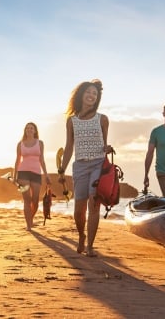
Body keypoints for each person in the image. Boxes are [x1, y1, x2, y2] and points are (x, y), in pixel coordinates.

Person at [58, 79, 112, 257]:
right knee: (79, 209)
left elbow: (105, 144)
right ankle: (82, 235)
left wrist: (108, 148)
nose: (91, 96)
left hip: (98, 164)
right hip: (80, 166)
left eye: (95, 94)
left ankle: (90, 246)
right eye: (89, 92)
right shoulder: (71, 121)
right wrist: (62, 169)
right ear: (81, 95)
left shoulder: (102, 119)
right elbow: (68, 147)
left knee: (94, 203)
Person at [13, 122, 51, 231]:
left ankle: (30, 219)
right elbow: (17, 160)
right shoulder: (20, 144)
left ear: (35, 131)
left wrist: (46, 174)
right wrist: (15, 175)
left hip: (36, 173)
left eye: (31, 128)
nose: (29, 130)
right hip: (22, 173)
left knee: (35, 200)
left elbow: (42, 160)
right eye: (27, 128)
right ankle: (28, 225)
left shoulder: (40, 143)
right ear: (25, 131)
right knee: (27, 200)